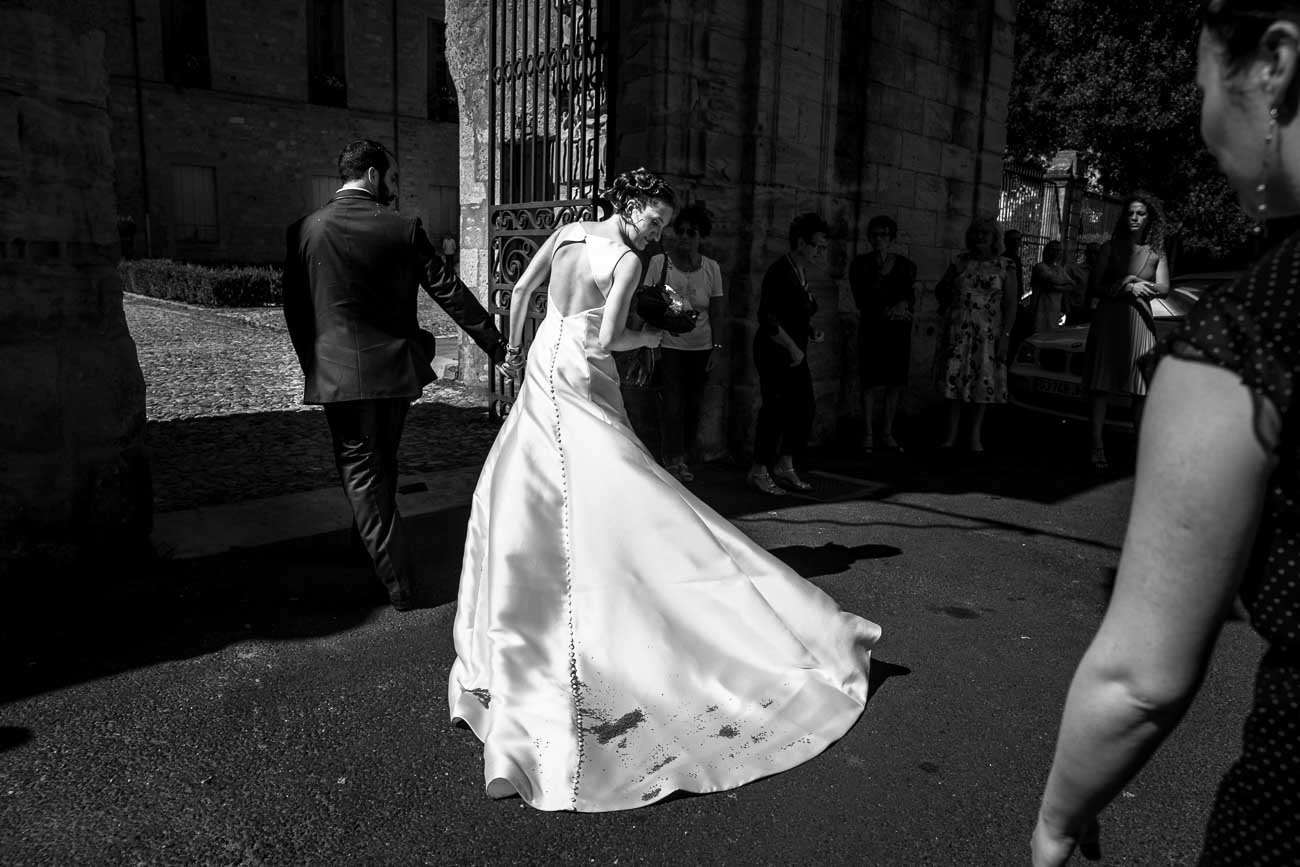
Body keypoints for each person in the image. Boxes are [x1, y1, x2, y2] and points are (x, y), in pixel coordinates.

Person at [448, 168, 880, 812]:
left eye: (663, 222)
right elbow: (605, 337)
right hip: (577, 371)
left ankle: (569, 574)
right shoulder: (623, 260)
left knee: (548, 476)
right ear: (628, 206)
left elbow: (520, 292)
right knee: (606, 475)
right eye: (653, 218)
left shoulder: (567, 232)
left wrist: (513, 351)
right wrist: (657, 332)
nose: (657, 231)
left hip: (543, 356)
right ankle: (616, 571)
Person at [1031, 5, 1300, 863]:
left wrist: (1060, 812)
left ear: (1275, 66)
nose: (1201, 117)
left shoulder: (1251, 335)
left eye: (1200, 85)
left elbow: (1138, 680)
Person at [283, 139, 504, 611]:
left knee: (362, 471)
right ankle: (371, 543)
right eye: (394, 177)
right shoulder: (401, 228)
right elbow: (449, 289)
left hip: (339, 376)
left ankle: (399, 584)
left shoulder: (305, 230)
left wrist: (314, 365)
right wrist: (497, 345)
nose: (396, 188)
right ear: (371, 175)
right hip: (393, 374)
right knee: (379, 463)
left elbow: (296, 313)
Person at [1079, 192, 1170, 470]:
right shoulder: (1109, 247)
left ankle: (1140, 449)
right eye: (1130, 213)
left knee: (1140, 390)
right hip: (1110, 320)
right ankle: (1096, 445)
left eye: (1140, 213)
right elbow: (1094, 287)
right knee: (1101, 386)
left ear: (1149, 219)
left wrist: (1141, 285)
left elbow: (1165, 289)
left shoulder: (1157, 253)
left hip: (1140, 322)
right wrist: (1128, 283)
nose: (1134, 218)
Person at [747, 212, 830, 495]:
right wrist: (793, 348)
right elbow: (768, 318)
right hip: (775, 350)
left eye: (823, 246)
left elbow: (794, 311)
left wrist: (809, 332)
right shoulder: (780, 270)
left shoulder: (800, 270)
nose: (821, 251)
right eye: (817, 245)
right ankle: (759, 469)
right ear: (800, 242)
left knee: (803, 408)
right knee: (775, 409)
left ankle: (785, 464)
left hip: (794, 350)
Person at [934, 215, 1020, 455]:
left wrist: (1006, 336)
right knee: (955, 383)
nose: (980, 237)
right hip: (959, 330)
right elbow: (941, 290)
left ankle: (974, 436)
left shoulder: (1006, 266)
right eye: (977, 233)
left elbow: (1011, 305)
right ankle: (951, 435)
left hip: (988, 333)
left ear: (995, 237)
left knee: (983, 383)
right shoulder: (960, 261)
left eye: (985, 233)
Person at [658, 202, 725, 483]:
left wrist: (717, 348)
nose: (684, 237)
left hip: (700, 347)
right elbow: (646, 299)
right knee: (672, 404)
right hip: (670, 346)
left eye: (691, 232)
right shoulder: (661, 263)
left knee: (694, 404)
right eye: (680, 231)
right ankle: (671, 459)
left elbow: (719, 310)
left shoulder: (711, 268)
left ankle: (683, 456)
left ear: (701, 237)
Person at [850, 214, 917, 455]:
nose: (879, 239)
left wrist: (902, 306)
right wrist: (887, 309)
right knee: (869, 381)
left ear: (892, 237)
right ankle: (868, 433)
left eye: (884, 234)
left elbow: (909, 296)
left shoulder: (906, 266)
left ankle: (887, 432)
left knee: (894, 382)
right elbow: (861, 297)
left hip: (897, 331)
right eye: (875, 234)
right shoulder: (860, 264)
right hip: (873, 327)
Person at [1028, 239, 1074, 334]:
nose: (1055, 253)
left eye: (1058, 250)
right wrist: (1063, 284)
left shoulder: (1059, 269)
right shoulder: (1040, 267)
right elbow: (1053, 279)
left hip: (1055, 310)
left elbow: (1072, 285)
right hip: (1041, 309)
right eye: (1053, 249)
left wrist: (1056, 287)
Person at [1064, 241, 1101, 325]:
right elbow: (1067, 291)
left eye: (1096, 253)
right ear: (1086, 253)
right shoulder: (1076, 270)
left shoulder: (1102, 273)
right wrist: (1067, 309)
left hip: (1095, 310)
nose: (1093, 256)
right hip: (1077, 310)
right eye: (1090, 252)